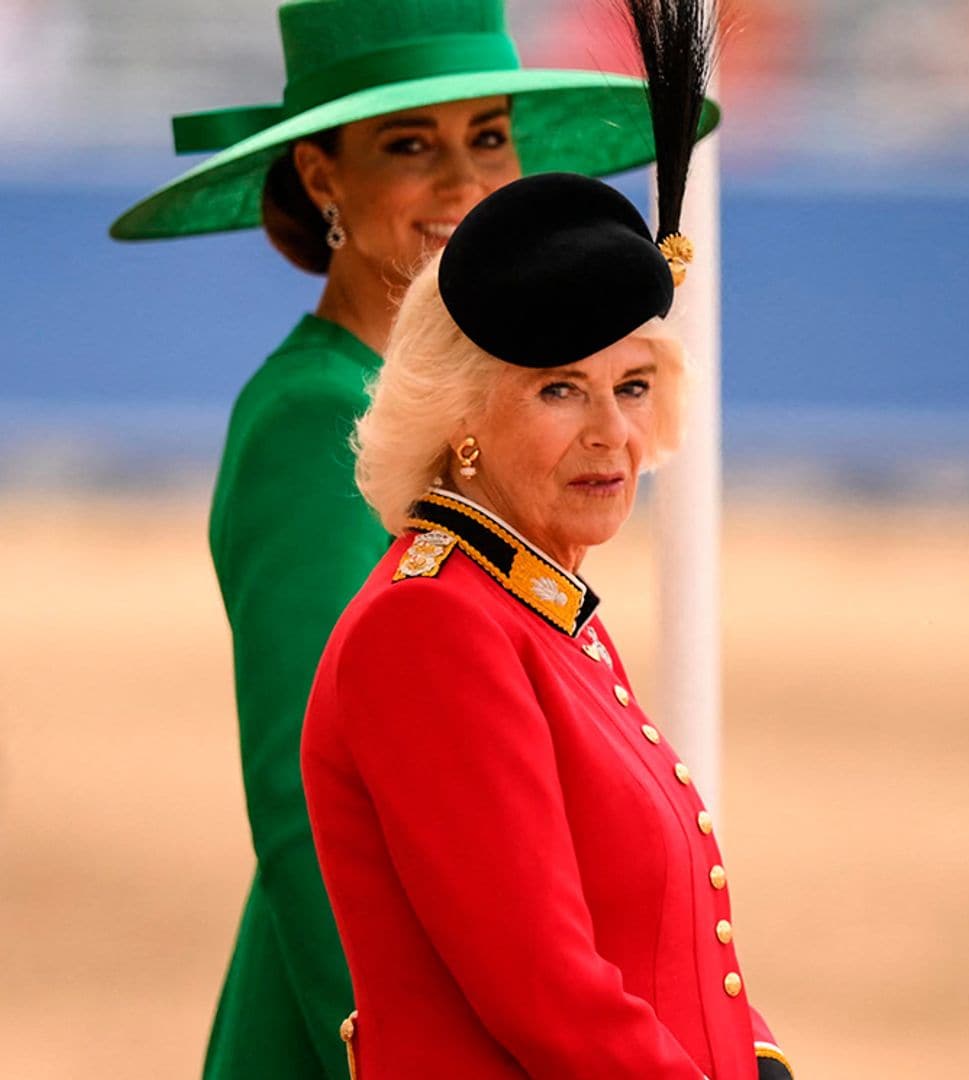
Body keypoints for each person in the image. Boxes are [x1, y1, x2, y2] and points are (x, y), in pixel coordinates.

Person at [109, 1, 717, 1077]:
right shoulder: (313, 417)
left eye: (487, 135)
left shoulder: (501, 413)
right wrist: (373, 1044)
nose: (463, 181)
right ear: (321, 177)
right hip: (361, 1010)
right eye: (409, 145)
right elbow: (307, 798)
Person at [302, 4, 791, 1076]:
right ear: (462, 414)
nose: (611, 433)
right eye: (560, 390)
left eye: (630, 385)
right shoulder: (434, 628)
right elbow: (552, 1001)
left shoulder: (533, 598)